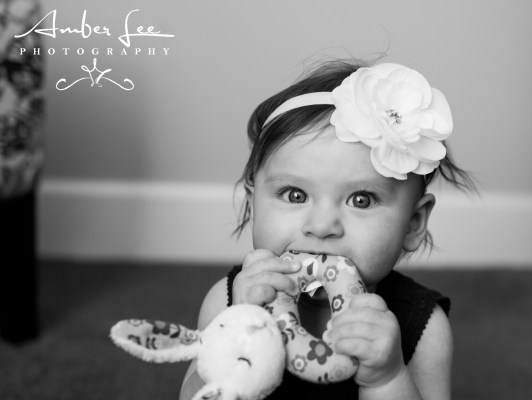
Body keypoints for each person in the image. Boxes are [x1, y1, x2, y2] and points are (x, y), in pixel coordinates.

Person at [180, 58, 473, 400]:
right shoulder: (228, 301)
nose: (321, 227)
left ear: (413, 223)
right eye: (295, 195)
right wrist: (234, 340)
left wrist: (387, 377)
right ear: (254, 201)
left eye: (361, 200)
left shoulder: (423, 325)